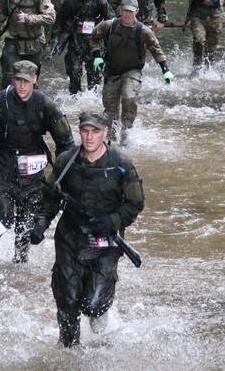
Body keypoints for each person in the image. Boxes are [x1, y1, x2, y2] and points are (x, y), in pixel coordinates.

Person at [30, 109, 145, 347]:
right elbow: (50, 198)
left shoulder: (121, 164)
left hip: (106, 243)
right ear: (79, 132)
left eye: (95, 132)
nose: (89, 137)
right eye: (84, 131)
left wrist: (112, 221)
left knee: (93, 305)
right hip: (70, 239)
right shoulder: (65, 161)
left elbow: (135, 204)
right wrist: (40, 225)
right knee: (67, 302)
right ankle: (69, 355)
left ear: (105, 132)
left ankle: (101, 308)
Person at [0, 60, 75, 263]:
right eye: (18, 80)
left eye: (26, 81)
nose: (22, 86)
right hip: (1, 170)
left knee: (26, 229)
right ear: (12, 80)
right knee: (1, 219)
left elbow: (67, 145)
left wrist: (62, 180)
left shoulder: (46, 106)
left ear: (35, 80)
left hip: (33, 176)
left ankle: (19, 267)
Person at [89, 0, 175, 145]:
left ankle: (126, 131)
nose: (127, 15)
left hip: (132, 71)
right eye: (125, 11)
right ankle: (111, 137)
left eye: (131, 12)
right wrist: (97, 55)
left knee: (129, 97)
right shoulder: (109, 26)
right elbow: (93, 38)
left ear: (137, 11)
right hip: (112, 71)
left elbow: (156, 49)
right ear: (120, 10)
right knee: (110, 109)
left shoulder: (143, 31)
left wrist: (165, 70)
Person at [51, 0, 116, 94]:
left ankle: (91, 107)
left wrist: (109, 42)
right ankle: (74, 101)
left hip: (95, 46)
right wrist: (54, 40)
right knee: (74, 75)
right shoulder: (70, 2)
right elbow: (59, 22)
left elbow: (111, 21)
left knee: (94, 80)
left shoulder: (100, 1)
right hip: (75, 44)